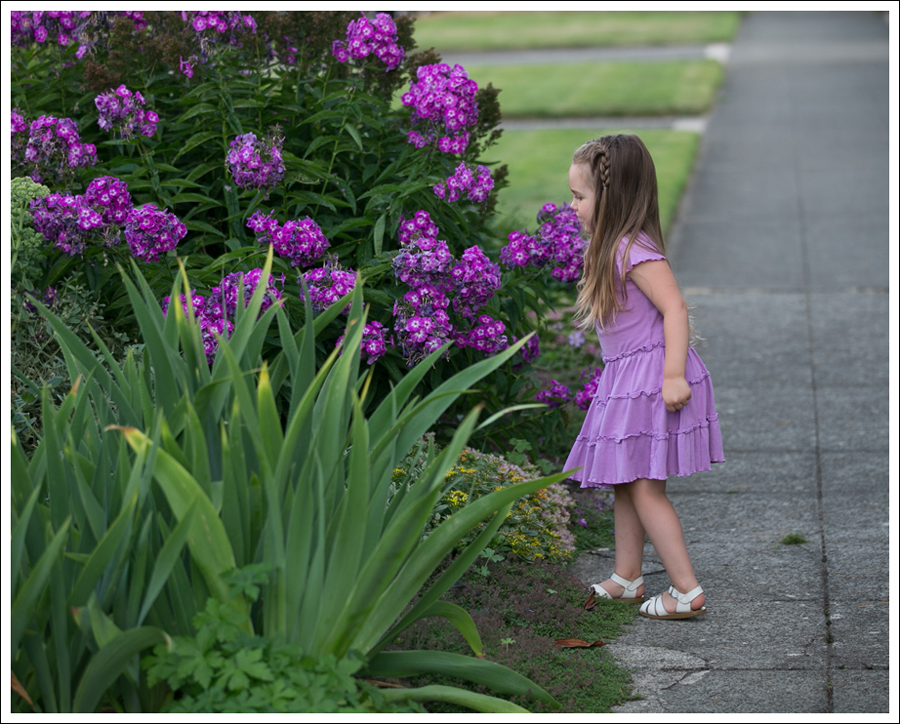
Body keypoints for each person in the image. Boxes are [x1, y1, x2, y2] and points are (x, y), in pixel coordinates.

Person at [563, 134, 724, 620]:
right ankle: (628, 575)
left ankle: (685, 591)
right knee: (624, 479)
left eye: (579, 196)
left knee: (646, 488)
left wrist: (674, 374)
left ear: (609, 198)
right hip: (625, 380)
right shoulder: (611, 246)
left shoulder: (633, 250)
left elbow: (674, 307)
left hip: (652, 379)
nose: (571, 206)